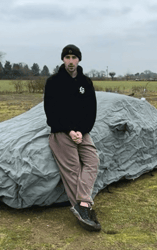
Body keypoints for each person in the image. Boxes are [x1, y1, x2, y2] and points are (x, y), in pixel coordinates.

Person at [44, 44, 101, 231]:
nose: (70, 61)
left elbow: (91, 111)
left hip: (82, 132)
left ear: (79, 60)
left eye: (74, 58)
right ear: (63, 60)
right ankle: (84, 207)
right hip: (61, 132)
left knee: (92, 161)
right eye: (67, 57)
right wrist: (70, 131)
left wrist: (82, 131)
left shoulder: (86, 82)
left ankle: (81, 204)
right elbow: (51, 112)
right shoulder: (53, 82)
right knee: (74, 169)